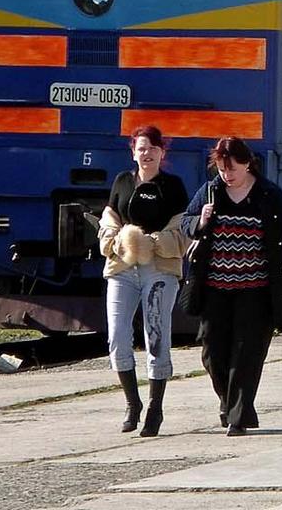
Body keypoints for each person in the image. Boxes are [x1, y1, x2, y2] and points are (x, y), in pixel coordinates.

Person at [182, 137, 282, 436]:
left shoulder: (269, 195)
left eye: (232, 168)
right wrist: (199, 221)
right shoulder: (210, 191)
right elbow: (185, 222)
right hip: (214, 288)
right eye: (221, 169)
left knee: (247, 353)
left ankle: (238, 417)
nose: (227, 175)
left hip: (256, 288)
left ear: (248, 163)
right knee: (213, 352)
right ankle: (229, 401)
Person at [96, 126, 190, 436]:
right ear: (132, 152)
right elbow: (108, 223)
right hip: (123, 268)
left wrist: (154, 243)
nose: (146, 153)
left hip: (159, 270)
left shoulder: (173, 187)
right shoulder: (122, 182)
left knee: (156, 334)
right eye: (140, 148)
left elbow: (183, 233)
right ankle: (131, 403)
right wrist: (118, 240)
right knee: (117, 335)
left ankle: (155, 408)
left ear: (163, 152)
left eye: (152, 148)